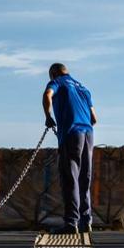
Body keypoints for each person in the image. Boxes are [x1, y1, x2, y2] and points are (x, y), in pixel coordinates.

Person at [42, 63, 97, 234]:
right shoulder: (83, 88)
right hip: (88, 133)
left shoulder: (58, 82)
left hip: (72, 134)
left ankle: (71, 223)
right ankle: (86, 222)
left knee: (70, 177)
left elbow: (47, 95)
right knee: (84, 179)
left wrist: (48, 116)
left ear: (53, 74)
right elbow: (94, 118)